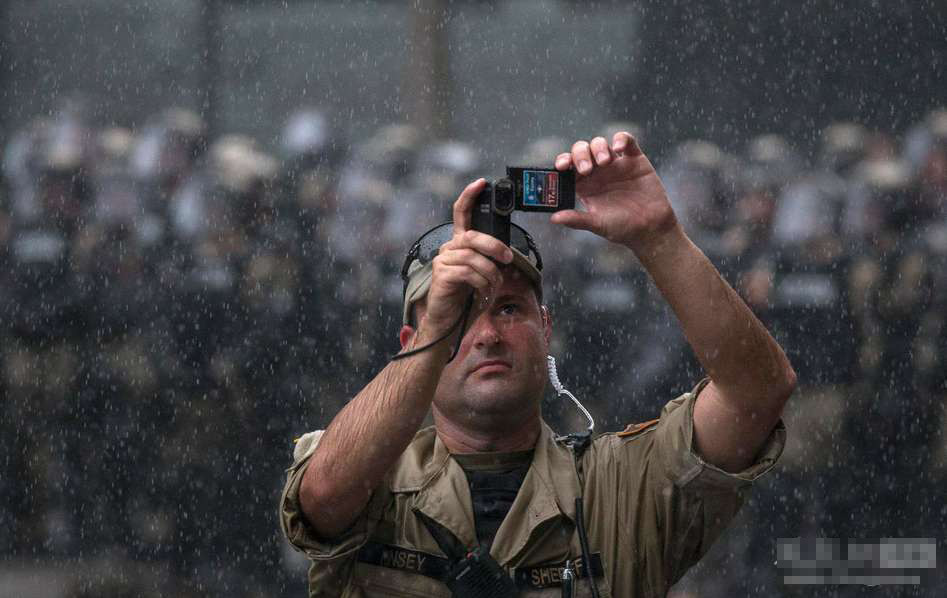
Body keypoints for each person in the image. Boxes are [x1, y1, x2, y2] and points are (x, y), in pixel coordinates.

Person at [279, 132, 796, 597]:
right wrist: (438, 332)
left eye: (508, 308)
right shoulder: (375, 481)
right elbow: (322, 495)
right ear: (416, 341)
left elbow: (757, 395)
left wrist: (658, 236)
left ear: (545, 328)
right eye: (461, 312)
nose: (486, 334)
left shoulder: (618, 489)